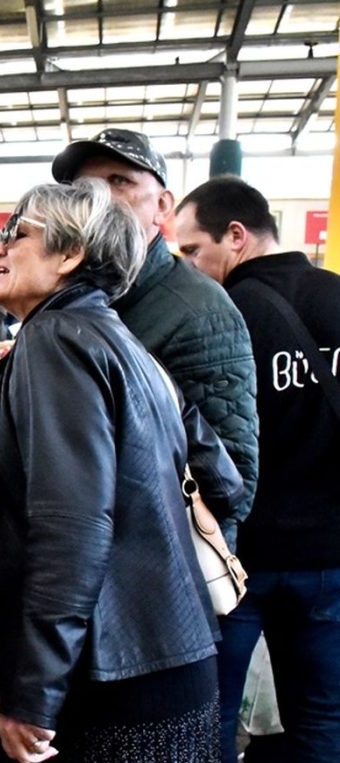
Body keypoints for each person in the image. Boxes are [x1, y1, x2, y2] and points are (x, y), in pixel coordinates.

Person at [0, 178, 245, 763]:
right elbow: (220, 476)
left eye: (18, 233)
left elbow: (73, 523)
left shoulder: (56, 338)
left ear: (69, 254)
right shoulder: (125, 345)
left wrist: (34, 692)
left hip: (105, 696)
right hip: (167, 672)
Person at [175, 175, 340, 763]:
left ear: (235, 236)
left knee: (210, 715)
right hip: (331, 556)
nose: (189, 267)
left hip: (238, 561)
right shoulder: (338, 297)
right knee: (324, 719)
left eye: (192, 251)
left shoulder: (222, 315)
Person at [53, 129, 258, 548]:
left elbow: (231, 479)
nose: (99, 198)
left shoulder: (200, 311)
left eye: (119, 182)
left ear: (163, 205)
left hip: (161, 570)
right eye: (84, 188)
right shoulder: (80, 299)